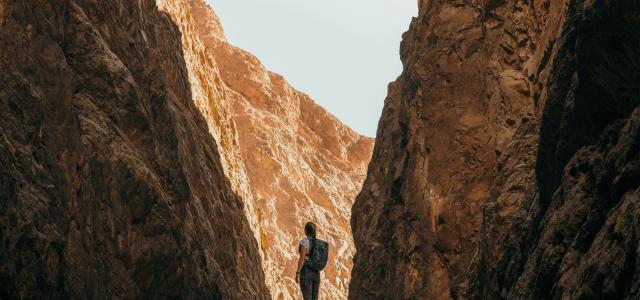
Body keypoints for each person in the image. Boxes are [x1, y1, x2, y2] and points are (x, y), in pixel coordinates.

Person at [295, 221, 320, 300]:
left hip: (306, 272)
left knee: (307, 297)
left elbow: (302, 258)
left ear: (306, 231)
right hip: (316, 273)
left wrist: (298, 272)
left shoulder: (304, 242)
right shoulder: (318, 243)